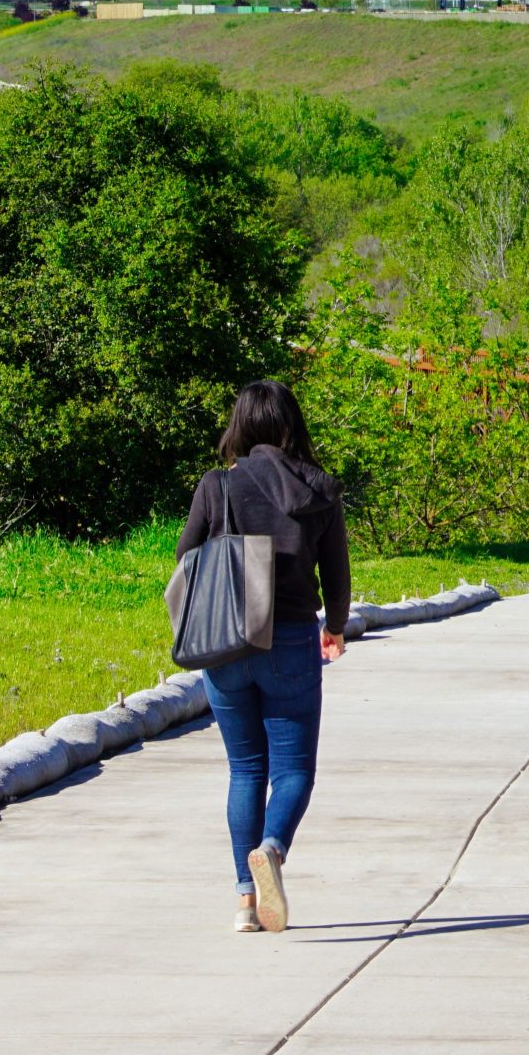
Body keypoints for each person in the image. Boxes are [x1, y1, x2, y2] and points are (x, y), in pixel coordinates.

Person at [178, 378, 351, 934]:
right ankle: (273, 847)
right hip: (293, 640)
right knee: (295, 769)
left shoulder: (217, 487)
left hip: (226, 643)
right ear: (291, 426)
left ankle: (245, 904)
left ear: (242, 427)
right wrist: (338, 627)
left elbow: (186, 561)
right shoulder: (320, 489)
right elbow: (338, 573)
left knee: (245, 770)